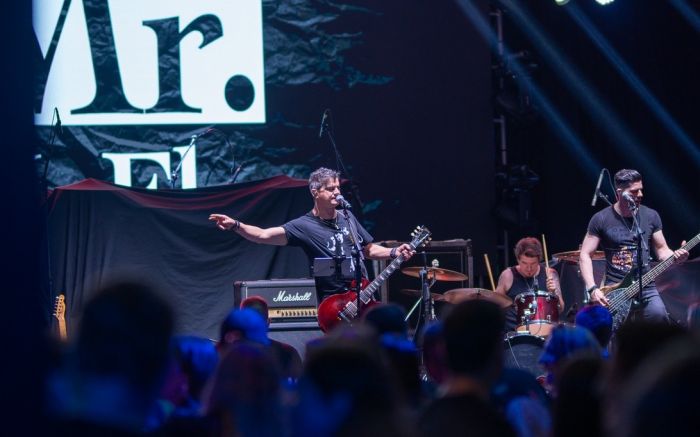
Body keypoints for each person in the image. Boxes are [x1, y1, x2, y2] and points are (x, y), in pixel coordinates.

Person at [209, 167, 415, 303]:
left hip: (362, 295)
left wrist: (394, 252)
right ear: (315, 192)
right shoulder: (304, 226)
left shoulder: (347, 216)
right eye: (330, 189)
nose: (337, 192)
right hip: (334, 303)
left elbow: (367, 249)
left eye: (338, 188)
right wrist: (235, 225)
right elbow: (263, 235)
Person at [579, 169, 688, 323]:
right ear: (619, 192)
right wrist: (592, 288)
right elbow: (585, 254)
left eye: (641, 190)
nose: (640, 194)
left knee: (659, 317)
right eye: (634, 191)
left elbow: (662, 250)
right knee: (613, 329)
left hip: (646, 285)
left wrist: (676, 257)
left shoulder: (651, 216)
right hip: (615, 289)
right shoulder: (600, 219)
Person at [495, 237, 564, 333]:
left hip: (543, 332)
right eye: (524, 263)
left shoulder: (550, 274)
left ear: (539, 260)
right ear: (518, 259)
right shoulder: (507, 275)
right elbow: (496, 306)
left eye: (533, 263)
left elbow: (560, 309)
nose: (529, 268)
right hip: (513, 332)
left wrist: (553, 293)